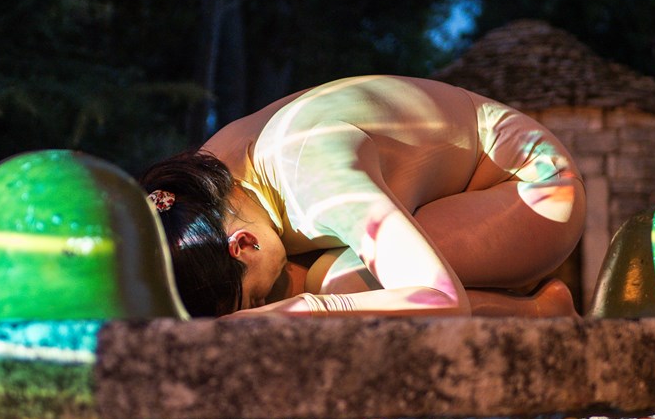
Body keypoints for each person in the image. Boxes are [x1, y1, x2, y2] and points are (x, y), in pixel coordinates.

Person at [139, 75, 585, 318]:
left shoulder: (315, 175)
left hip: (533, 189)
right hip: (445, 197)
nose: (262, 301)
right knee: (301, 282)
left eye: (252, 297)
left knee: (336, 287)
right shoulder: (201, 186)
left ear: (243, 244)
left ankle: (539, 315)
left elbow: (439, 300)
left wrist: (300, 311)